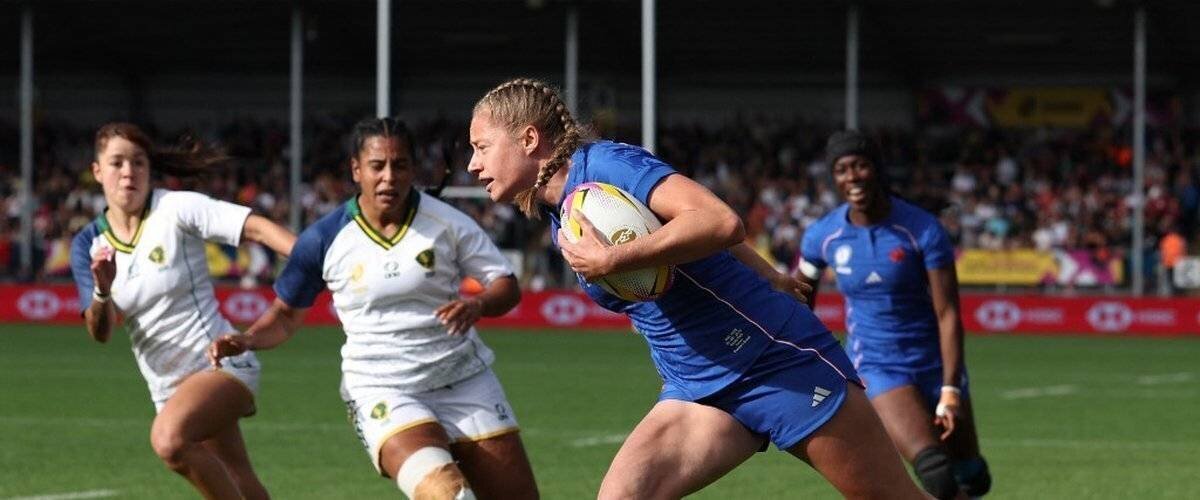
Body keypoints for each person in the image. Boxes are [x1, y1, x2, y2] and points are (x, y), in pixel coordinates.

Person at [466, 77, 925, 499]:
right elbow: (694, 233)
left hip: (773, 360)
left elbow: (718, 221)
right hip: (697, 386)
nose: (473, 165)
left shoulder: (607, 165)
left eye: (482, 147)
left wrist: (613, 260)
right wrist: (769, 274)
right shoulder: (559, 212)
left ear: (529, 139)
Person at [208, 117, 537, 500]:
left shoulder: (448, 223)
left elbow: (505, 284)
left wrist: (478, 304)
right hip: (382, 388)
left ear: (413, 169)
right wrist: (247, 339)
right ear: (356, 170)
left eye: (400, 165)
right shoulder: (323, 239)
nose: (389, 177)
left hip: (465, 380)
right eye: (377, 166)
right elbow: (285, 316)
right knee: (448, 495)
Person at [69, 122, 296, 499]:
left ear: (149, 169)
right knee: (241, 482)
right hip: (168, 388)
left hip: (220, 364)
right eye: (117, 162)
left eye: (138, 162)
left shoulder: (175, 208)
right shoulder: (88, 243)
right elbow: (101, 331)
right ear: (97, 171)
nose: (128, 172)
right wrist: (102, 290)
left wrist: (313, 260)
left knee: (169, 440)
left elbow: (254, 227)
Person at [795, 130, 992, 499]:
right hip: (877, 366)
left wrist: (950, 389)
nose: (852, 176)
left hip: (935, 364)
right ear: (834, 178)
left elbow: (948, 313)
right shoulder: (823, 235)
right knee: (937, 473)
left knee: (972, 475)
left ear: (877, 169)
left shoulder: (922, 229)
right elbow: (799, 304)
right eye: (841, 170)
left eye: (860, 165)